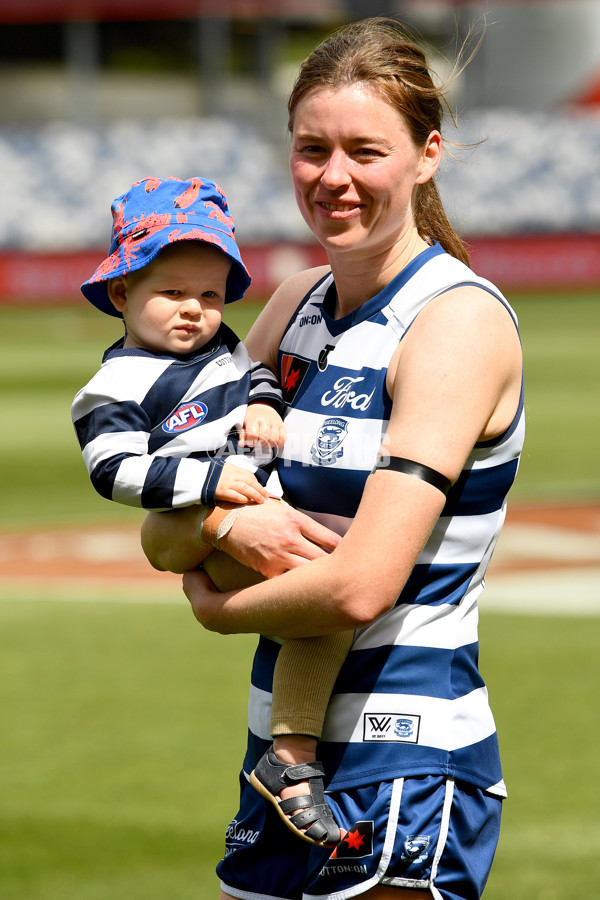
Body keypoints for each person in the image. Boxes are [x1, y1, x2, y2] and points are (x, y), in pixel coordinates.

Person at [141, 17, 524, 900]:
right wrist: (235, 518)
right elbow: (161, 532)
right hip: (278, 752)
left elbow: (360, 586)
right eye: (313, 149)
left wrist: (214, 603)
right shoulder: (292, 306)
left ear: (426, 155)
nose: (334, 178)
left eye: (365, 150)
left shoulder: (454, 320)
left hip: (405, 750)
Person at [71, 175, 353, 846]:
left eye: (209, 294)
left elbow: (250, 371)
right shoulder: (112, 386)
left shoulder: (222, 348)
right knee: (328, 603)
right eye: (172, 294)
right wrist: (210, 482)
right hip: (211, 530)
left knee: (339, 576)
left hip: (254, 506)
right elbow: (114, 471)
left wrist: (262, 401)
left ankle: (293, 749)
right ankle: (291, 756)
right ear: (122, 293)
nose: (195, 310)